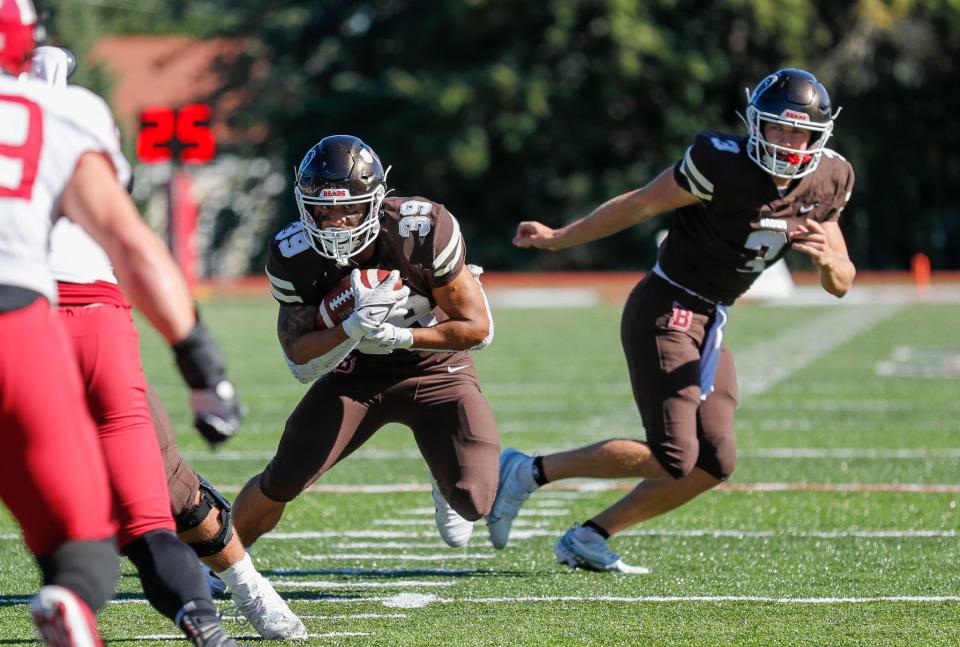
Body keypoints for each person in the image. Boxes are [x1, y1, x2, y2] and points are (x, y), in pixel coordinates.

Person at [0, 8, 279, 647]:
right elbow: (131, 243)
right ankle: (180, 621)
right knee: (118, 527)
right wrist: (201, 362)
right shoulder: (62, 114)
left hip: (43, 318)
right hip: (52, 320)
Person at [491, 68, 856, 572]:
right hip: (667, 306)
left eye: (800, 132)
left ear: (819, 136)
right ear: (756, 125)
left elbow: (841, 280)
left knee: (715, 461)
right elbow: (639, 204)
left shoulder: (828, 178)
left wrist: (829, 263)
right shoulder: (719, 163)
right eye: (778, 128)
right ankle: (526, 472)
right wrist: (558, 238)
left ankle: (589, 536)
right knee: (673, 455)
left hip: (711, 318)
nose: (789, 142)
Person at [231, 134, 500, 552]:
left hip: (436, 368)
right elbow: (298, 357)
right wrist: (350, 327)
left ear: (375, 201)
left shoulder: (419, 229)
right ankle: (215, 561)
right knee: (282, 478)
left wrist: (399, 335)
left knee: (475, 501)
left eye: (349, 209)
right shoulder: (294, 251)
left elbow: (478, 328)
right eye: (323, 210)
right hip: (354, 374)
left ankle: (441, 471)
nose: (336, 222)